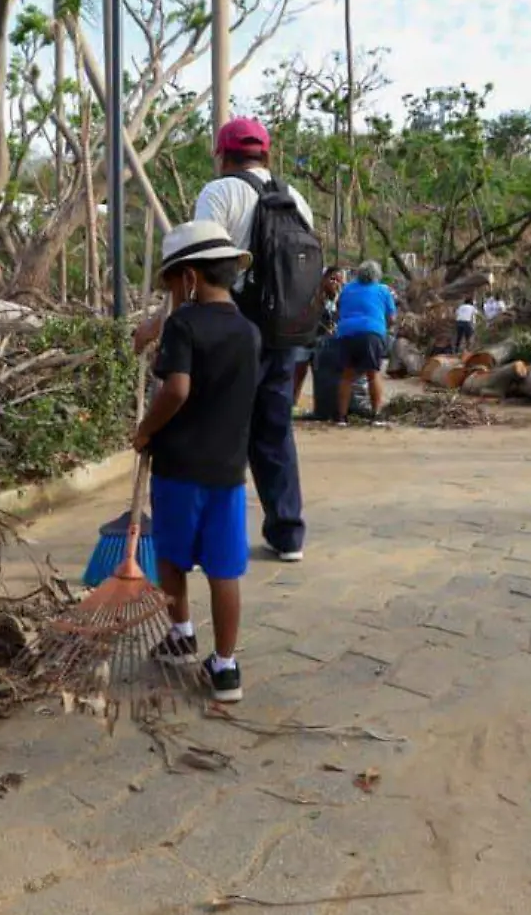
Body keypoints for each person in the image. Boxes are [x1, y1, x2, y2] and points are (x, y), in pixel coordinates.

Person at [145, 116, 315, 563]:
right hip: (285, 333)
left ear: (222, 154)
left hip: (231, 330)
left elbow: (196, 268)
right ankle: (287, 534)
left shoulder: (219, 192)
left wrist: (165, 325)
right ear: (268, 153)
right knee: (274, 430)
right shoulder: (296, 199)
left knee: (214, 426)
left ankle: (207, 536)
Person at [135, 221, 261, 703]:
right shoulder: (249, 332)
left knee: (172, 555)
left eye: (170, 285)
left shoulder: (183, 325)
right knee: (224, 569)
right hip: (228, 471)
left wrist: (146, 428)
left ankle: (182, 633)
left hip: (179, 468)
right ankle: (226, 667)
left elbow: (178, 388)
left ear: (187, 278)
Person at [333, 260, 398, 426]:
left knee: (347, 376)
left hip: (347, 333)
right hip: (371, 333)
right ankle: (376, 416)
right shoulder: (383, 290)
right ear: (377, 276)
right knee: (372, 374)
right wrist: (383, 328)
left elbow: (338, 310)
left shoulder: (347, 289)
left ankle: (342, 418)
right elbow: (392, 318)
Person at [291, 266, 346, 409]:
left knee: (322, 376)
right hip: (306, 340)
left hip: (323, 343)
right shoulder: (314, 295)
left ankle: (321, 406)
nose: (335, 283)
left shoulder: (337, 299)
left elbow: (338, 318)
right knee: (298, 372)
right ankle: (292, 403)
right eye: (332, 279)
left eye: (339, 281)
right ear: (324, 279)